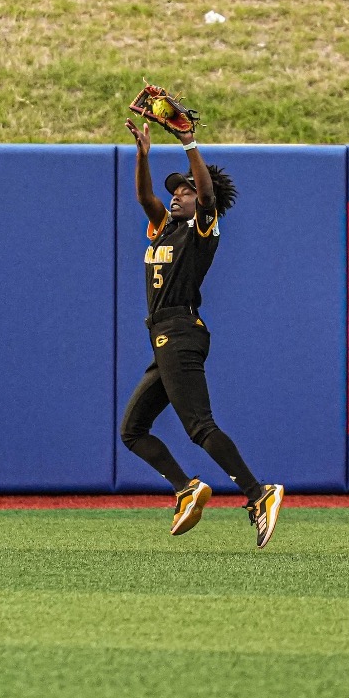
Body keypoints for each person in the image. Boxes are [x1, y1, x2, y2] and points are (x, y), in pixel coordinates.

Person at [119, 118, 284, 548]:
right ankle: (187, 489)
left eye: (185, 190)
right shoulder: (165, 227)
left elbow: (208, 194)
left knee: (198, 425)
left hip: (180, 332)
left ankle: (258, 493)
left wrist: (189, 142)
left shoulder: (200, 231)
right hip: (163, 338)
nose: (178, 194)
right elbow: (143, 196)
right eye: (176, 189)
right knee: (132, 430)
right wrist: (143, 155)